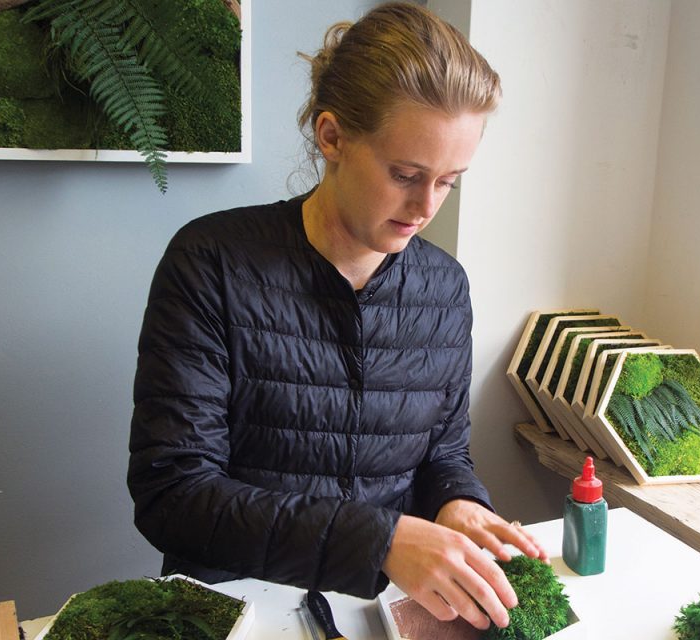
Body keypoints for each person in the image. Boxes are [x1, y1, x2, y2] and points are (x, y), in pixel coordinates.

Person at [127, 2, 546, 631]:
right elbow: (173, 494)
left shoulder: (443, 287)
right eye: (406, 173)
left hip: (376, 611)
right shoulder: (211, 262)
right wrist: (379, 540)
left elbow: (442, 455)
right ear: (332, 136)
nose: (425, 205)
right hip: (235, 610)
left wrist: (458, 503)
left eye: (450, 181)